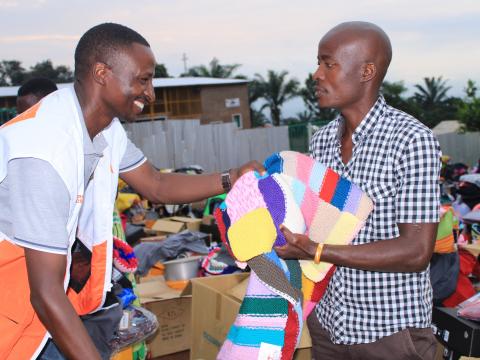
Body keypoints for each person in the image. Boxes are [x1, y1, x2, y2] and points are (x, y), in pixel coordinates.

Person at [0, 23, 264, 360]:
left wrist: (233, 177)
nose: (151, 94)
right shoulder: (42, 153)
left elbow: (156, 184)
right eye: (143, 79)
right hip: (16, 319)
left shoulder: (105, 129)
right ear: (101, 72)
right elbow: (46, 293)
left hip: (50, 313)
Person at [275, 21, 441, 359]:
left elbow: (415, 251)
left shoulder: (411, 140)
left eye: (328, 63)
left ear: (366, 71)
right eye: (318, 62)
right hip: (328, 326)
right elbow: (312, 223)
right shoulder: (321, 141)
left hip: (389, 334)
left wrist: (317, 250)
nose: (316, 74)